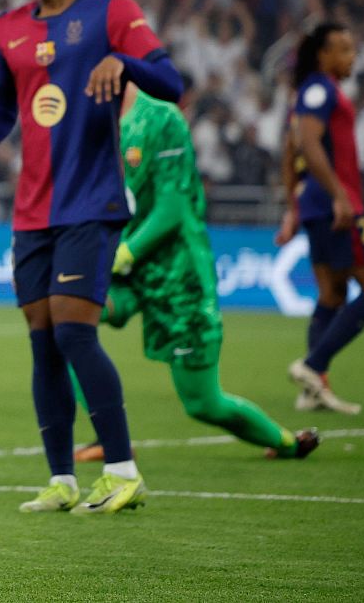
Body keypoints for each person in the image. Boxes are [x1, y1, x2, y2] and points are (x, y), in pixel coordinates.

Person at [0, 0, 182, 515]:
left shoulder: (111, 12)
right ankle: (61, 480)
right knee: (43, 344)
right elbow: (2, 106)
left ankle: (123, 470)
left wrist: (124, 64)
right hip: (33, 210)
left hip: (93, 202)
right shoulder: (7, 28)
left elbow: (170, 80)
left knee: (75, 331)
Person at [74, 84, 318, 461]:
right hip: (129, 278)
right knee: (67, 321)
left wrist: (123, 253)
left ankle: (286, 442)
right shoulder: (87, 117)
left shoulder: (161, 118)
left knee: (203, 403)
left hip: (178, 276)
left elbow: (172, 208)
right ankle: (107, 436)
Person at [279, 23, 364, 413]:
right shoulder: (318, 90)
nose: (351, 56)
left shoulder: (313, 91)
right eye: (342, 49)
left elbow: (289, 148)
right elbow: (305, 144)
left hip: (317, 205)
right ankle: (312, 366)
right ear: (322, 54)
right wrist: (341, 196)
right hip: (337, 207)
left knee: (332, 295)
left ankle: (312, 390)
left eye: (352, 48)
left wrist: (292, 211)